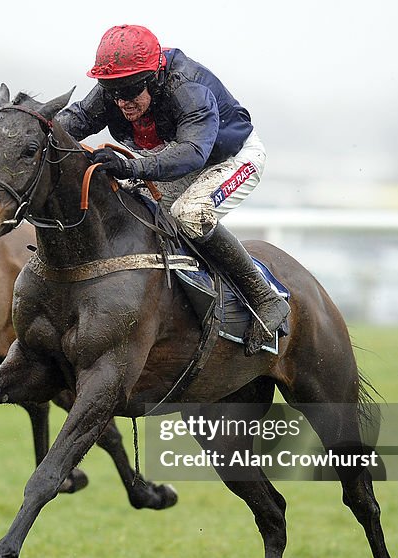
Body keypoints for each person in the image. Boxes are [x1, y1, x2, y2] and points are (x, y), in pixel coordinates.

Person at [55, 25, 290, 356]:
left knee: (189, 215)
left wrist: (132, 167)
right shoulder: (118, 89)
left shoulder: (187, 88)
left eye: (130, 90)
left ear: (153, 77)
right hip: (172, 160)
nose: (122, 101)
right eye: (112, 90)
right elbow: (73, 121)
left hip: (229, 159)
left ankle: (264, 296)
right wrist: (31, 130)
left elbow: (193, 152)